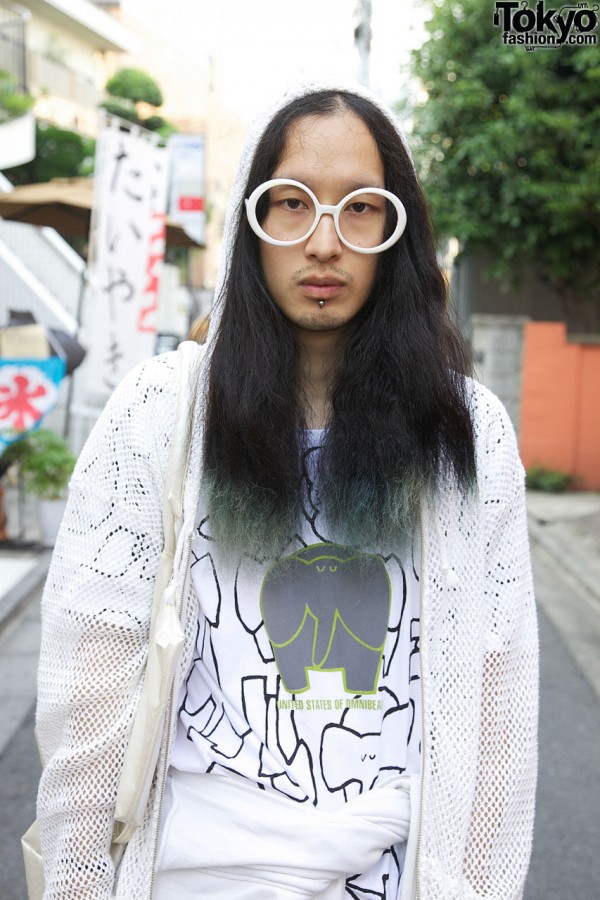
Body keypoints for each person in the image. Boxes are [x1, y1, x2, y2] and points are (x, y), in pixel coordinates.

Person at [35, 83, 538, 900]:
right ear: (250, 221)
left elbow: (497, 711)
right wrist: (80, 882)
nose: (324, 242)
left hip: (389, 872)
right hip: (185, 873)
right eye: (291, 203)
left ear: (396, 231)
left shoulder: (468, 435)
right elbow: (91, 695)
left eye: (362, 208)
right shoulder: (162, 411)